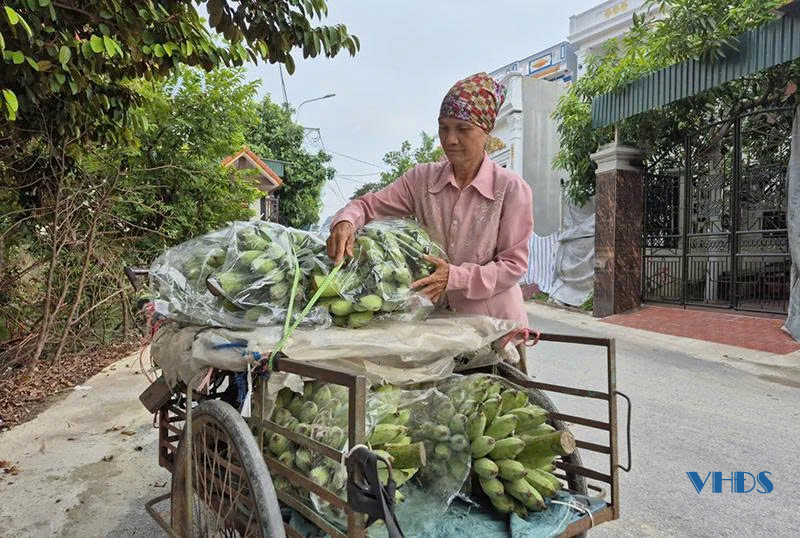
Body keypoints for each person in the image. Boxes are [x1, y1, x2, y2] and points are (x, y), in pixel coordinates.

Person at [327, 72, 533, 332]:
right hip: (435, 327)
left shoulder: (512, 190)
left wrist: (455, 277)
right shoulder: (421, 179)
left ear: (486, 131)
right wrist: (346, 221)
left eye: (463, 128)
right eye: (443, 127)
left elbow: (513, 266)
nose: (450, 139)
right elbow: (368, 206)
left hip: (494, 328)